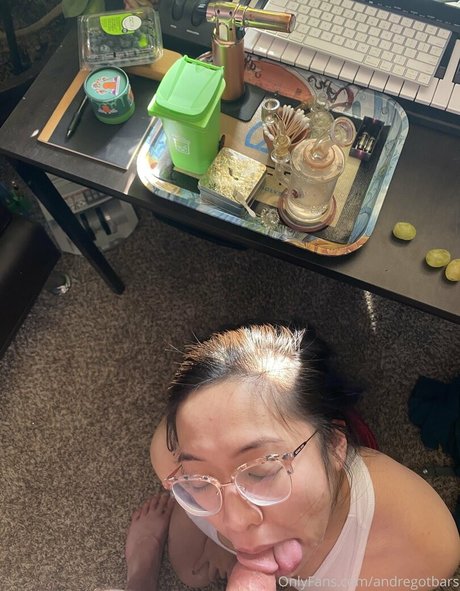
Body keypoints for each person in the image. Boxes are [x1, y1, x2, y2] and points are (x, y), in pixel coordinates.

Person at [147, 323, 459, 591]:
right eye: (199, 481)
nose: (234, 524)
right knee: (191, 572)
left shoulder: (424, 546)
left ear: (335, 445)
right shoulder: (168, 452)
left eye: (261, 471)